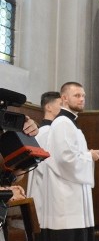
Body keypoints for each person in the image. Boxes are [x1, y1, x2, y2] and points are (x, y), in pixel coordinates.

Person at [41, 82, 99, 241]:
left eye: (83, 95)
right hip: (65, 197)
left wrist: (85, 154)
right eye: (77, 95)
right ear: (64, 98)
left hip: (73, 195)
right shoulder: (62, 124)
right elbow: (65, 159)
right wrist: (89, 157)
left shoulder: (70, 124)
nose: (82, 99)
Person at [26, 91, 61, 226]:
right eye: (60, 104)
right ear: (48, 107)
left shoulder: (53, 130)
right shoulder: (45, 132)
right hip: (45, 188)